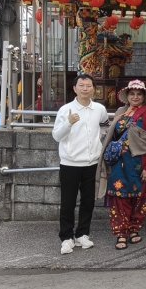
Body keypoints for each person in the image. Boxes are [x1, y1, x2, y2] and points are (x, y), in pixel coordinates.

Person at [52, 74, 108, 255]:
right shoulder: (65, 110)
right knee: (67, 202)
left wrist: (100, 145)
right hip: (70, 163)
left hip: (92, 163)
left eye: (88, 85)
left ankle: (82, 233)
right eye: (81, 85)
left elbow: (105, 127)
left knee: (88, 201)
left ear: (94, 88)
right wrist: (68, 123)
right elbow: (57, 136)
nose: (85, 88)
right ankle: (66, 237)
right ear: (74, 88)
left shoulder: (99, 109)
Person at [101, 80, 146, 250]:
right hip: (119, 163)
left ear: (144, 97)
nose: (135, 97)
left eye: (139, 94)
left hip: (139, 164)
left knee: (139, 198)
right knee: (119, 198)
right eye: (132, 94)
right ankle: (121, 232)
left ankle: (134, 229)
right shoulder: (120, 112)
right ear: (127, 96)